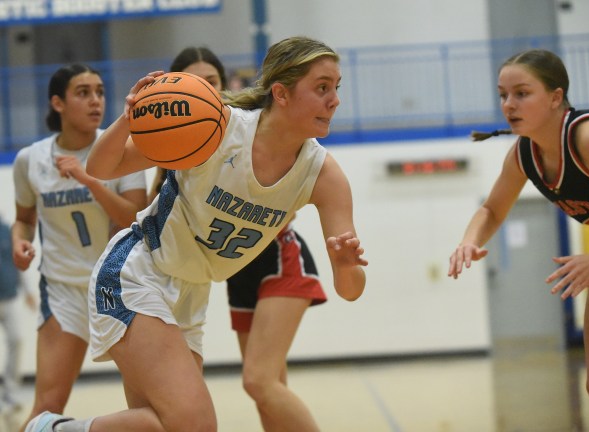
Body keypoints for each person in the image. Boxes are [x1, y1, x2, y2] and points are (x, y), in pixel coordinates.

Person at [25, 36, 367, 432]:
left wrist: (345, 266)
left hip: (191, 295)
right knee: (195, 424)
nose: (335, 100)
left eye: (336, 88)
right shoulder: (215, 129)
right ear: (282, 93)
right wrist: (128, 118)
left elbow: (351, 289)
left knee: (165, 427)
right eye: (322, 87)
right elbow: (103, 167)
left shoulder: (324, 175)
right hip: (138, 273)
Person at [148, 46, 328, 431]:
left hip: (276, 256)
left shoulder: (244, 127)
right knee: (267, 387)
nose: (206, 91)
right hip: (235, 270)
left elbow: (286, 194)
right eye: (196, 84)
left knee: (259, 381)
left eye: (211, 82)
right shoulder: (178, 144)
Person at [448, 48, 589, 430]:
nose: (509, 104)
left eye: (522, 93)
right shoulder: (524, 154)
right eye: (503, 95)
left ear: (556, 97)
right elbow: (491, 210)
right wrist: (468, 240)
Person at [11, 64, 147, 431]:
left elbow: (132, 216)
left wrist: (89, 179)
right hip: (62, 291)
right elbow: (24, 218)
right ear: (58, 102)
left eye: (100, 92)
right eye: (83, 92)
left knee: (147, 406)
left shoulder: (122, 149)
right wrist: (19, 241)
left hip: (119, 289)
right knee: (46, 406)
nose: (96, 101)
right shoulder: (30, 160)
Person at [0, 215, 35, 413]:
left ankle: (10, 394)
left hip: (9, 298)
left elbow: (17, 258)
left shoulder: (6, 229)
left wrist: (28, 291)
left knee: (17, 340)